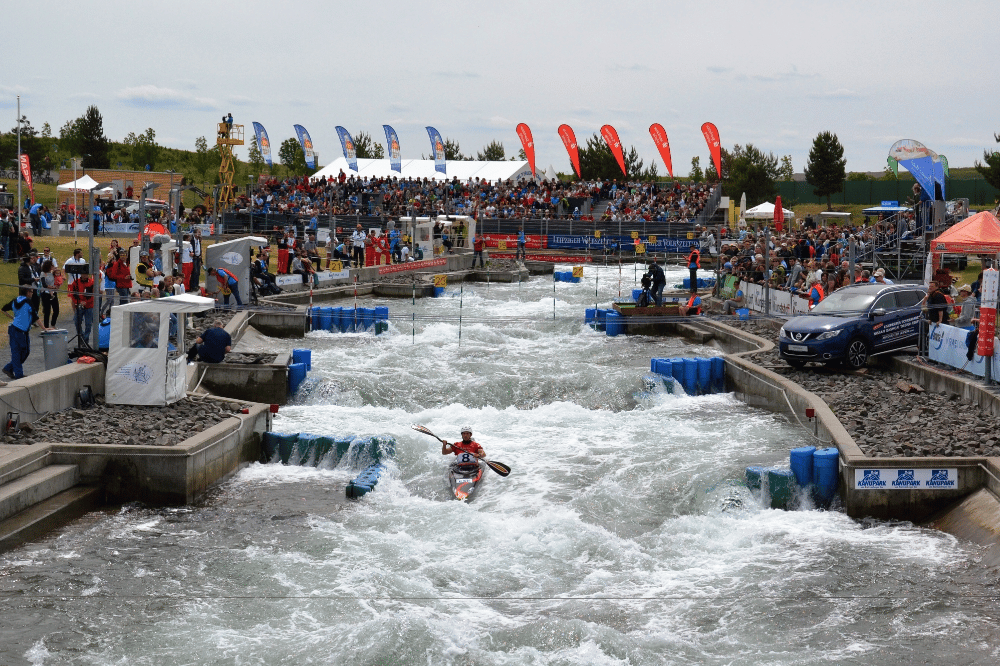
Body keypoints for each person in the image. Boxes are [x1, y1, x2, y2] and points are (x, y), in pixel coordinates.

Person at [2, 286, 40, 379]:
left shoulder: (15, 300)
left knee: (25, 352)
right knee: (17, 352)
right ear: (27, 292)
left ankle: (8, 368)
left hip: (21, 330)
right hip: (16, 329)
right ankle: (19, 375)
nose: (32, 293)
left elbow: (3, 309)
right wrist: (45, 328)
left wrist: (12, 318)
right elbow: (35, 317)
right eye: (31, 291)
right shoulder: (28, 301)